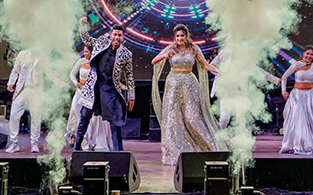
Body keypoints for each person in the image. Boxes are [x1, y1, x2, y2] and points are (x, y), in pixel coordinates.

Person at [151, 24, 223, 166]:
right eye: (177, 36)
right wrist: (165, 55)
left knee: (193, 116)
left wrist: (220, 72)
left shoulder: (194, 49)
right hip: (173, 84)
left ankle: (206, 146)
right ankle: (175, 150)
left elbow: (205, 65)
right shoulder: (170, 48)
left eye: (182, 36)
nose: (180, 38)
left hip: (190, 83)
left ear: (186, 36)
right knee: (173, 118)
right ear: (175, 37)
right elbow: (153, 61)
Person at [74, 18, 135, 151]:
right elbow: (87, 39)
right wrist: (82, 25)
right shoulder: (101, 42)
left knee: (115, 122)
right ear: (111, 35)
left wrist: (131, 96)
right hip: (94, 88)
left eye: (120, 35)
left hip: (111, 91)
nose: (117, 37)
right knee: (84, 118)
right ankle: (76, 150)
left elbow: (129, 75)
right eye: (115, 34)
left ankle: (118, 153)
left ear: (123, 37)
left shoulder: (126, 54)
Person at [67, 45, 112, 151]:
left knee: (88, 117)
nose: (85, 54)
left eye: (87, 52)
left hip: (90, 93)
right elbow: (72, 74)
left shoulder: (96, 62)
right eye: (85, 51)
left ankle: (87, 140)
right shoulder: (81, 61)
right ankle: (73, 135)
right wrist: (76, 83)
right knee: (74, 111)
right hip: (80, 91)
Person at [5, 49, 43, 153]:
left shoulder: (43, 56)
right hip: (22, 89)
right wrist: (10, 83)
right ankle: (14, 143)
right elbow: (15, 70)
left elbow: (49, 72)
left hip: (35, 90)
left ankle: (34, 143)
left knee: (36, 117)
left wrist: (60, 83)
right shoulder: (22, 54)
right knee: (14, 115)